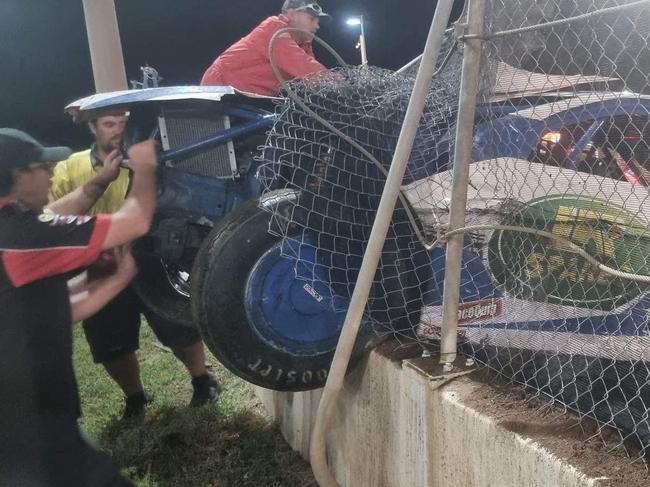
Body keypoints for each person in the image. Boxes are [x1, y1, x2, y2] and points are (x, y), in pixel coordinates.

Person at [0, 128, 159, 486]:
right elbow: (134, 221)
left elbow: (51, 314)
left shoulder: (15, 228)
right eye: (42, 166)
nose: (52, 173)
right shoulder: (20, 235)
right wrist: (146, 166)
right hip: (26, 423)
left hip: (37, 418)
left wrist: (118, 280)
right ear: (17, 176)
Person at [50, 112, 220, 419]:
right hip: (98, 263)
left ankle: (202, 380)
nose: (118, 131)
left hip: (153, 257)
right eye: (109, 124)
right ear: (92, 127)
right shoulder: (69, 168)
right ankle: (135, 399)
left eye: (123, 124)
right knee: (111, 341)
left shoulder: (158, 159)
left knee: (177, 325)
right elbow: (55, 216)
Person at [200, 0, 330, 96]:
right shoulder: (274, 28)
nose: (317, 26)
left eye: (318, 21)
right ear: (291, 14)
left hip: (252, 96)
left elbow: (313, 79)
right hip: (222, 87)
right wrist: (341, 83)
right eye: (312, 19)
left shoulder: (304, 45)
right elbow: (304, 66)